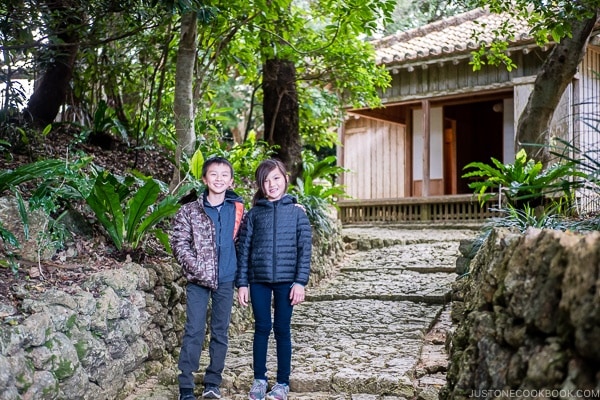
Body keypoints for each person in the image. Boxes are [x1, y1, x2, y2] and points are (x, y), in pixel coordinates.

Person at [236, 158, 312, 400]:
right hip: (258, 280)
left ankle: (282, 383)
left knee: (282, 329)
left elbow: (305, 249)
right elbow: (244, 248)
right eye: (266, 180)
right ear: (261, 185)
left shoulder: (298, 213)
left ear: (286, 179)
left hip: (287, 282)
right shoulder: (254, 213)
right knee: (262, 328)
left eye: (276, 178)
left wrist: (300, 282)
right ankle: (259, 379)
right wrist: (242, 283)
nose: (272, 184)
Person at [170, 156, 245, 400]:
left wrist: (294, 203)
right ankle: (186, 387)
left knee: (220, 331)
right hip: (198, 281)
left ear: (231, 181)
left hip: (226, 279)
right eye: (213, 174)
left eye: (224, 175)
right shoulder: (190, 210)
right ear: (204, 179)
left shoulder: (238, 210)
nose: (219, 179)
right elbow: (179, 244)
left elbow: (249, 237)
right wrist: (197, 269)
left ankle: (213, 383)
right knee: (194, 330)